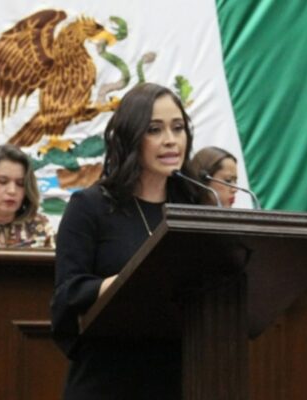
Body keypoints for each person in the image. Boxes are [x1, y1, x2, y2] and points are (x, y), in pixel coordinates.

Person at [50, 83, 200, 399]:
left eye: (178, 128)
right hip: (107, 380)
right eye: (154, 130)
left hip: (182, 379)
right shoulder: (90, 207)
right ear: (131, 138)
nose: (171, 140)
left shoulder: (196, 207)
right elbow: (67, 295)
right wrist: (131, 282)